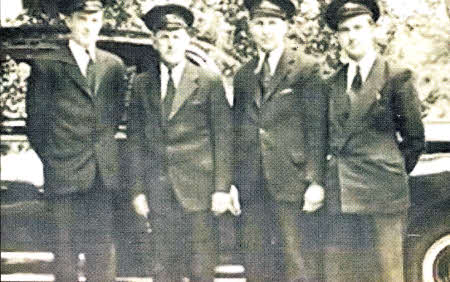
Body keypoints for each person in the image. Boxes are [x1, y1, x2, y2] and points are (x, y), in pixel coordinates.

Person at [25, 0, 141, 281]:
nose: (88, 26)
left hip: (103, 177)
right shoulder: (48, 64)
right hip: (64, 175)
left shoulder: (113, 66)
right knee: (65, 256)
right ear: (69, 21)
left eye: (94, 20)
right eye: (82, 19)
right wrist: (58, 159)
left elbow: (112, 117)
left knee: (101, 255)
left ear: (101, 22)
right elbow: (37, 125)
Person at [127, 2, 234, 281]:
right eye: (163, 36)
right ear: (154, 41)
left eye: (176, 36)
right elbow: (135, 140)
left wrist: (221, 188)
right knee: (164, 271)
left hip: (199, 193)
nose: (170, 43)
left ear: (187, 40)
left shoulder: (208, 80)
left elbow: (222, 136)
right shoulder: (142, 84)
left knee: (201, 271)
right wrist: (138, 191)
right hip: (159, 193)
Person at [323, 0, 425, 281]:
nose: (352, 36)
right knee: (341, 272)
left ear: (372, 31)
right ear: (338, 36)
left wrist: (389, 171)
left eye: (358, 28)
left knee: (388, 271)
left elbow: (414, 139)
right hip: (341, 192)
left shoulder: (396, 76)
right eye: (344, 30)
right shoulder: (331, 83)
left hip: (384, 192)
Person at [233, 0, 328, 281]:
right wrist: (235, 182)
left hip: (293, 182)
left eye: (272, 23)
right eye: (259, 23)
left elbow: (317, 129)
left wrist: (315, 182)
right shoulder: (243, 75)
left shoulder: (306, 69)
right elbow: (239, 131)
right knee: (256, 264)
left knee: (295, 261)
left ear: (285, 26)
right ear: (250, 28)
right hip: (252, 184)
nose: (266, 31)